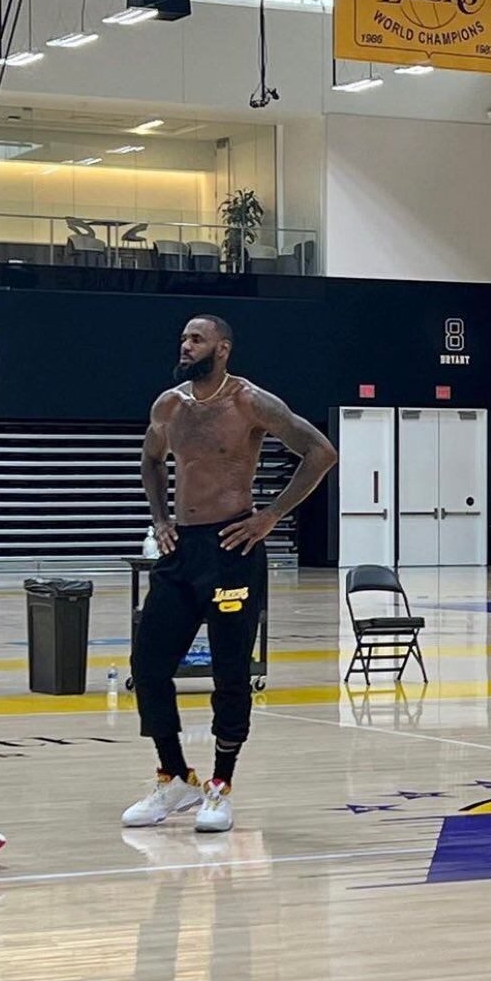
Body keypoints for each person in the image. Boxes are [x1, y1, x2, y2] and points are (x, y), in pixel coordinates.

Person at [123, 316, 336, 834]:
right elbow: (150, 460)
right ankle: (174, 775)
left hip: (232, 547)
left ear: (222, 349)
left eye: (195, 339)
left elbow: (321, 453)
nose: (185, 345)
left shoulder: (250, 402)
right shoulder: (169, 405)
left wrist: (270, 516)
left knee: (230, 672)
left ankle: (220, 784)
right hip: (181, 552)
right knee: (148, 665)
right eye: (182, 338)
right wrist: (159, 518)